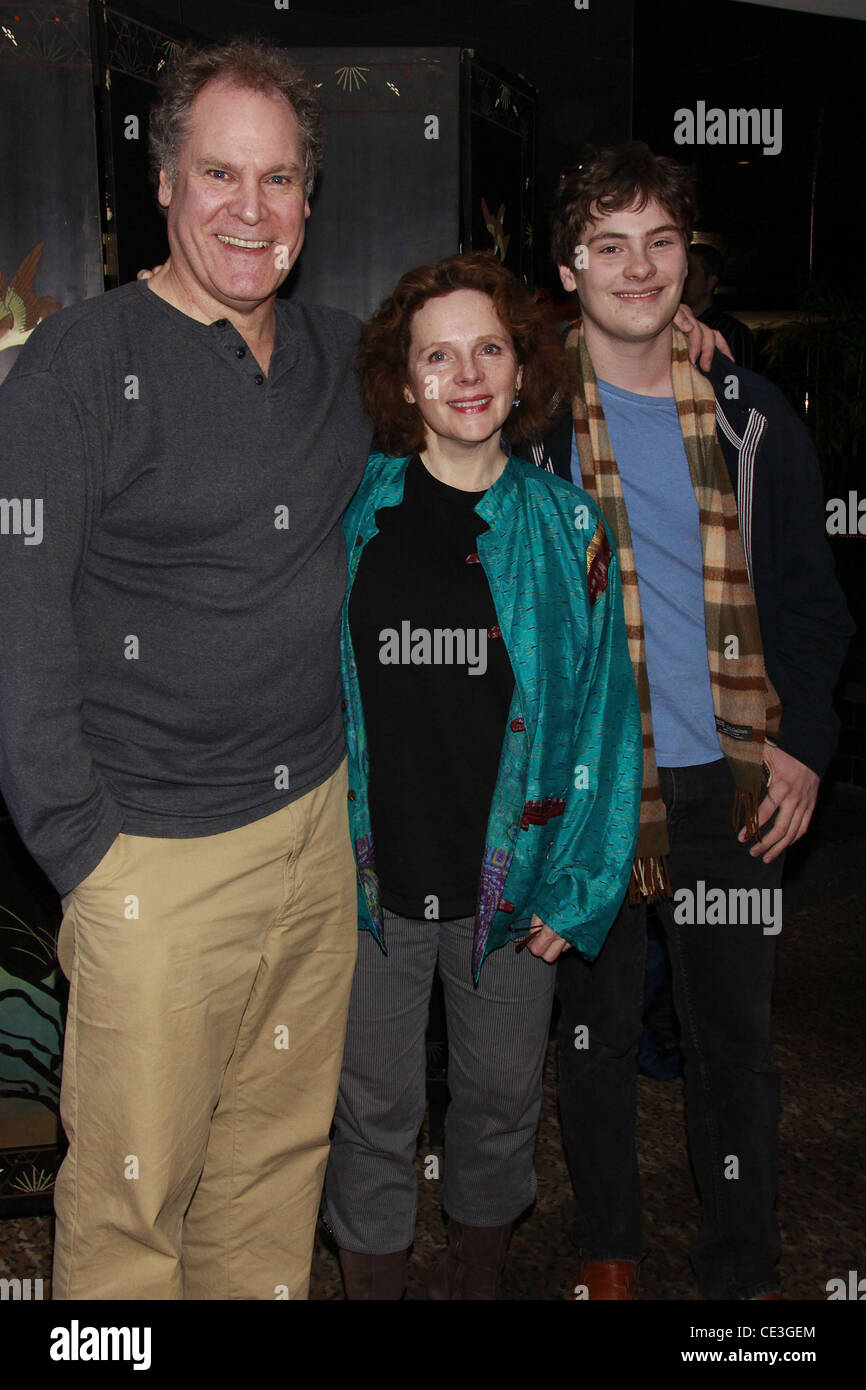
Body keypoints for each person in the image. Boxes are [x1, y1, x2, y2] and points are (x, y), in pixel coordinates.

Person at [0, 39, 371, 1300]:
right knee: (126, 1211)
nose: (251, 212)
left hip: (315, 838)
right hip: (151, 861)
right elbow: (18, 629)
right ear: (162, 181)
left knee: (273, 1168)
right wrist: (89, 861)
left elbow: (485, 380)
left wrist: (663, 339)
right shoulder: (73, 368)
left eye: (278, 182)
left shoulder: (337, 358)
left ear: (309, 201)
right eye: (220, 173)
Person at [535, 142, 853, 1301]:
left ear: (687, 260)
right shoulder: (522, 414)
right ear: (568, 267)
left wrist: (805, 742)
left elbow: (813, 603)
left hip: (728, 785)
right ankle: (605, 1258)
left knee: (736, 1048)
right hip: (587, 787)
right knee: (592, 1041)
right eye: (608, 246)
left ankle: (744, 1274)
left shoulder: (748, 414)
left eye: (658, 243)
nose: (636, 267)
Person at [321, 252, 643, 1300]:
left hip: (511, 893)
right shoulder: (348, 513)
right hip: (365, 884)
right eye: (437, 355)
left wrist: (580, 884)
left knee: (500, 1107)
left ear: (519, 369)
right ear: (403, 380)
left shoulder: (567, 528)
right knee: (370, 1112)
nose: (466, 375)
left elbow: (604, 713)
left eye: (488, 348)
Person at [683, 242, 757, 369]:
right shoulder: (669, 325)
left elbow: (741, 384)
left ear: (711, 282)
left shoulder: (734, 332)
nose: (683, 278)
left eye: (690, 273)